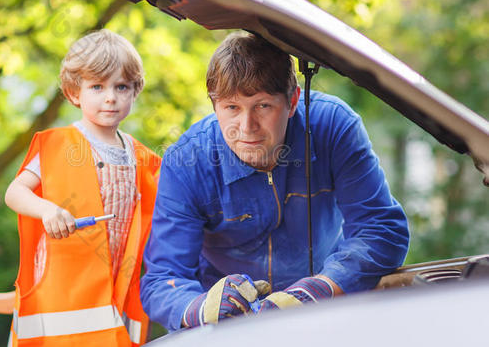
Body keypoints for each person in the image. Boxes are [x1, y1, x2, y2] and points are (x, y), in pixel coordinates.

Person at [140, 31, 409, 331]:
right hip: (229, 331)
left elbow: (381, 229)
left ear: (293, 101)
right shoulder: (184, 162)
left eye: (263, 105)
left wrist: (320, 288)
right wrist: (200, 308)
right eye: (231, 108)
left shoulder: (333, 126)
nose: (246, 127)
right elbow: (162, 281)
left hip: (325, 311)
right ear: (214, 105)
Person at [4, 29, 161, 346]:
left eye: (121, 87)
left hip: (116, 287)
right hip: (62, 290)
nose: (110, 97)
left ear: (135, 91)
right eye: (97, 86)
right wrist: (47, 209)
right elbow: (14, 193)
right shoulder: (60, 145)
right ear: (74, 92)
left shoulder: (142, 157)